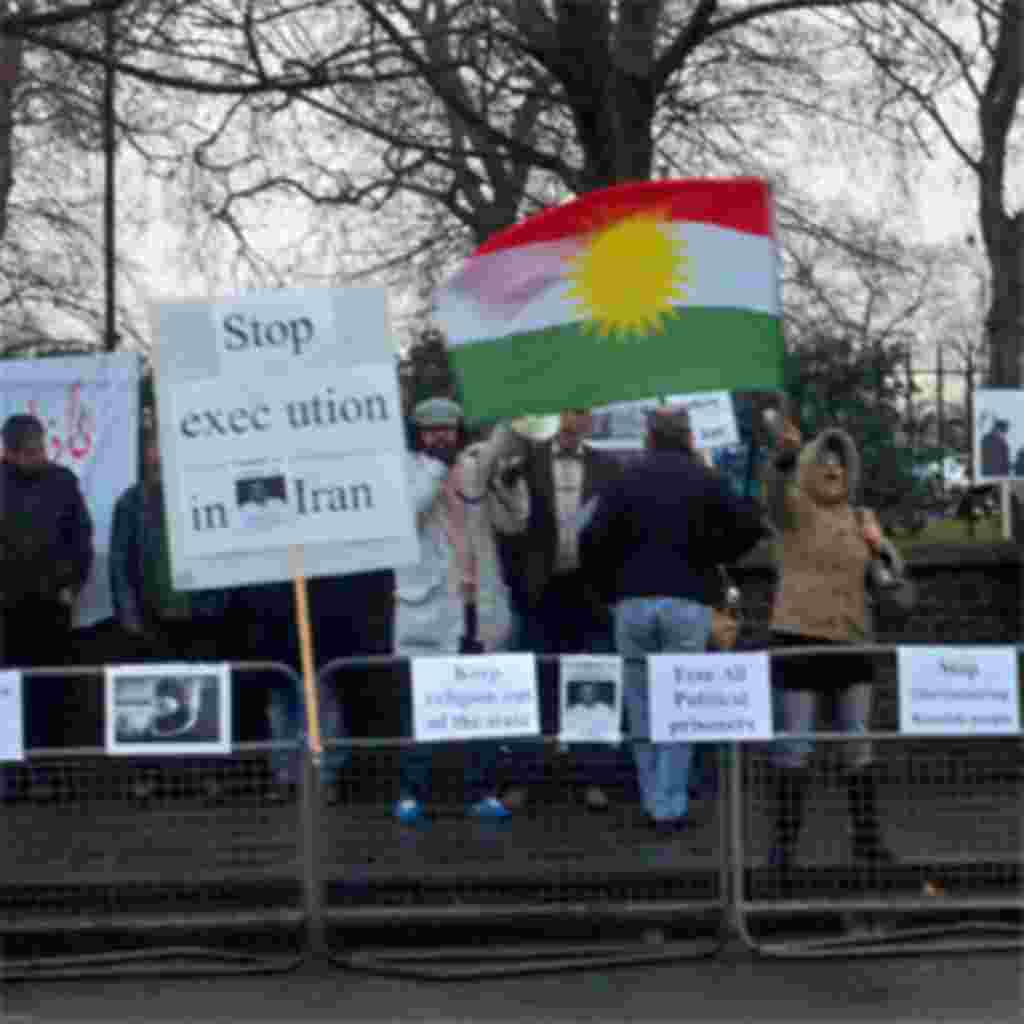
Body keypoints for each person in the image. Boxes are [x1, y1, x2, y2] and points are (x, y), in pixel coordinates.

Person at [580, 407, 766, 835]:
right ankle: (670, 805)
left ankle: (652, 801)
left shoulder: (625, 479)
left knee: (641, 707)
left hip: (632, 602)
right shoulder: (704, 478)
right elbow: (748, 527)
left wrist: (609, 591)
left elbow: (590, 540)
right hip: (687, 601)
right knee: (680, 708)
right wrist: (715, 553)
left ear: (648, 437)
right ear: (688, 436)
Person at [761, 411, 901, 873]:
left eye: (840, 460)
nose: (833, 467)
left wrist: (880, 545)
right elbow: (773, 490)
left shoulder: (861, 517)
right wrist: (784, 458)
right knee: (795, 746)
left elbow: (892, 577)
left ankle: (867, 841)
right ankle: (784, 850)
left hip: (853, 642)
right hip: (799, 640)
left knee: (858, 745)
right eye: (824, 459)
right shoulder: (793, 508)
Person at [392, 397, 529, 824]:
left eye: (448, 430)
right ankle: (411, 793)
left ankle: (480, 792)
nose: (440, 438)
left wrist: (508, 483)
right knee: (423, 708)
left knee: (479, 707)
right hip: (429, 609)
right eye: (432, 431)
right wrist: (436, 469)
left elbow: (515, 523)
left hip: (478, 608)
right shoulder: (404, 468)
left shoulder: (474, 468)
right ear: (418, 434)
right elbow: (405, 514)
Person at [495, 408, 624, 812]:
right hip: (538, 593)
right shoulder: (524, 463)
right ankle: (523, 777)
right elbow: (506, 527)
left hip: (590, 592)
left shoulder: (609, 466)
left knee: (593, 686)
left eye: (580, 414)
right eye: (566, 413)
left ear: (589, 422)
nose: (571, 423)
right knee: (532, 685)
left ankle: (594, 778)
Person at [1, 413, 94, 762]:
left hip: (52, 607)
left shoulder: (62, 481)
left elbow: (81, 538)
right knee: (10, 690)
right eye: (30, 451)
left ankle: (52, 768)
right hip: (6, 611)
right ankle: (12, 768)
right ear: (9, 452)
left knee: (53, 689)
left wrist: (72, 585)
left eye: (41, 447)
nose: (39, 456)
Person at [109, 420, 230, 663]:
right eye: (153, 454)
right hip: (151, 621)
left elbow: (225, 556)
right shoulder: (131, 503)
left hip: (202, 618)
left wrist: (221, 607)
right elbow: (119, 566)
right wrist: (129, 617)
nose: (157, 460)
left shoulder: (206, 497)